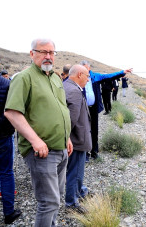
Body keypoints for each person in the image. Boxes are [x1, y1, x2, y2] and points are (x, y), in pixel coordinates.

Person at [4, 38, 73, 226]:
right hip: (41, 151)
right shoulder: (23, 78)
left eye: (51, 53)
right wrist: (35, 140)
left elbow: (60, 109)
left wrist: (67, 137)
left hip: (61, 148)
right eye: (43, 52)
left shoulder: (55, 78)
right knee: (48, 201)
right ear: (32, 53)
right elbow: (12, 112)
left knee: (56, 198)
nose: (48, 56)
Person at [0, 50, 21, 224]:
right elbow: (8, 112)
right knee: (6, 172)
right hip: (2, 137)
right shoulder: (7, 84)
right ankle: (9, 213)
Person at [80, 60, 132, 160]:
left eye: (86, 68)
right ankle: (85, 153)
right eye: (82, 69)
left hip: (93, 108)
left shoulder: (95, 76)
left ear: (89, 68)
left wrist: (122, 72)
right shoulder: (78, 78)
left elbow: (109, 76)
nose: (84, 71)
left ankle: (94, 151)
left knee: (94, 130)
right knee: (83, 130)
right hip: (82, 109)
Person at [63, 65, 91, 213]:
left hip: (76, 139)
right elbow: (70, 120)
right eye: (87, 76)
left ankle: (79, 192)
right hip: (76, 140)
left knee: (76, 170)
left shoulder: (67, 86)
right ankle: (71, 203)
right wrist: (67, 137)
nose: (88, 79)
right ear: (80, 74)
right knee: (74, 172)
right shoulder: (73, 91)